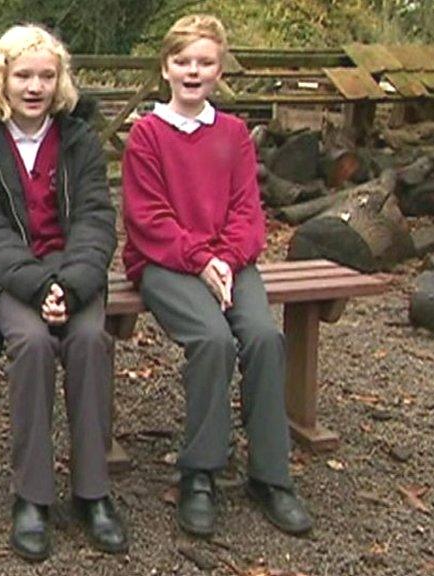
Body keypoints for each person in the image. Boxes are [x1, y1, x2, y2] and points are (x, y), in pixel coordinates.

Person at [121, 14, 313, 537]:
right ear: (166, 67)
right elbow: (148, 219)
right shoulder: (147, 135)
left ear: (219, 69)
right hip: (165, 263)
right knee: (211, 341)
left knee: (265, 338)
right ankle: (200, 473)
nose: (193, 70)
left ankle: (271, 476)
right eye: (183, 61)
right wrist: (200, 260)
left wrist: (226, 259)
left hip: (230, 262)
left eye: (204, 62)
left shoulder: (232, 134)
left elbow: (249, 213)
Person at [0, 24, 127, 561]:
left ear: (59, 80)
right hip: (1, 270)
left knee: (91, 340)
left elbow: (97, 217)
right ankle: (32, 497)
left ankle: (93, 492)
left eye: (46, 75)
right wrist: (37, 283)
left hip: (72, 269)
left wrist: (70, 284)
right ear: (1, 77)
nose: (35, 86)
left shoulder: (77, 135)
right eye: (23, 75)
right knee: (31, 344)